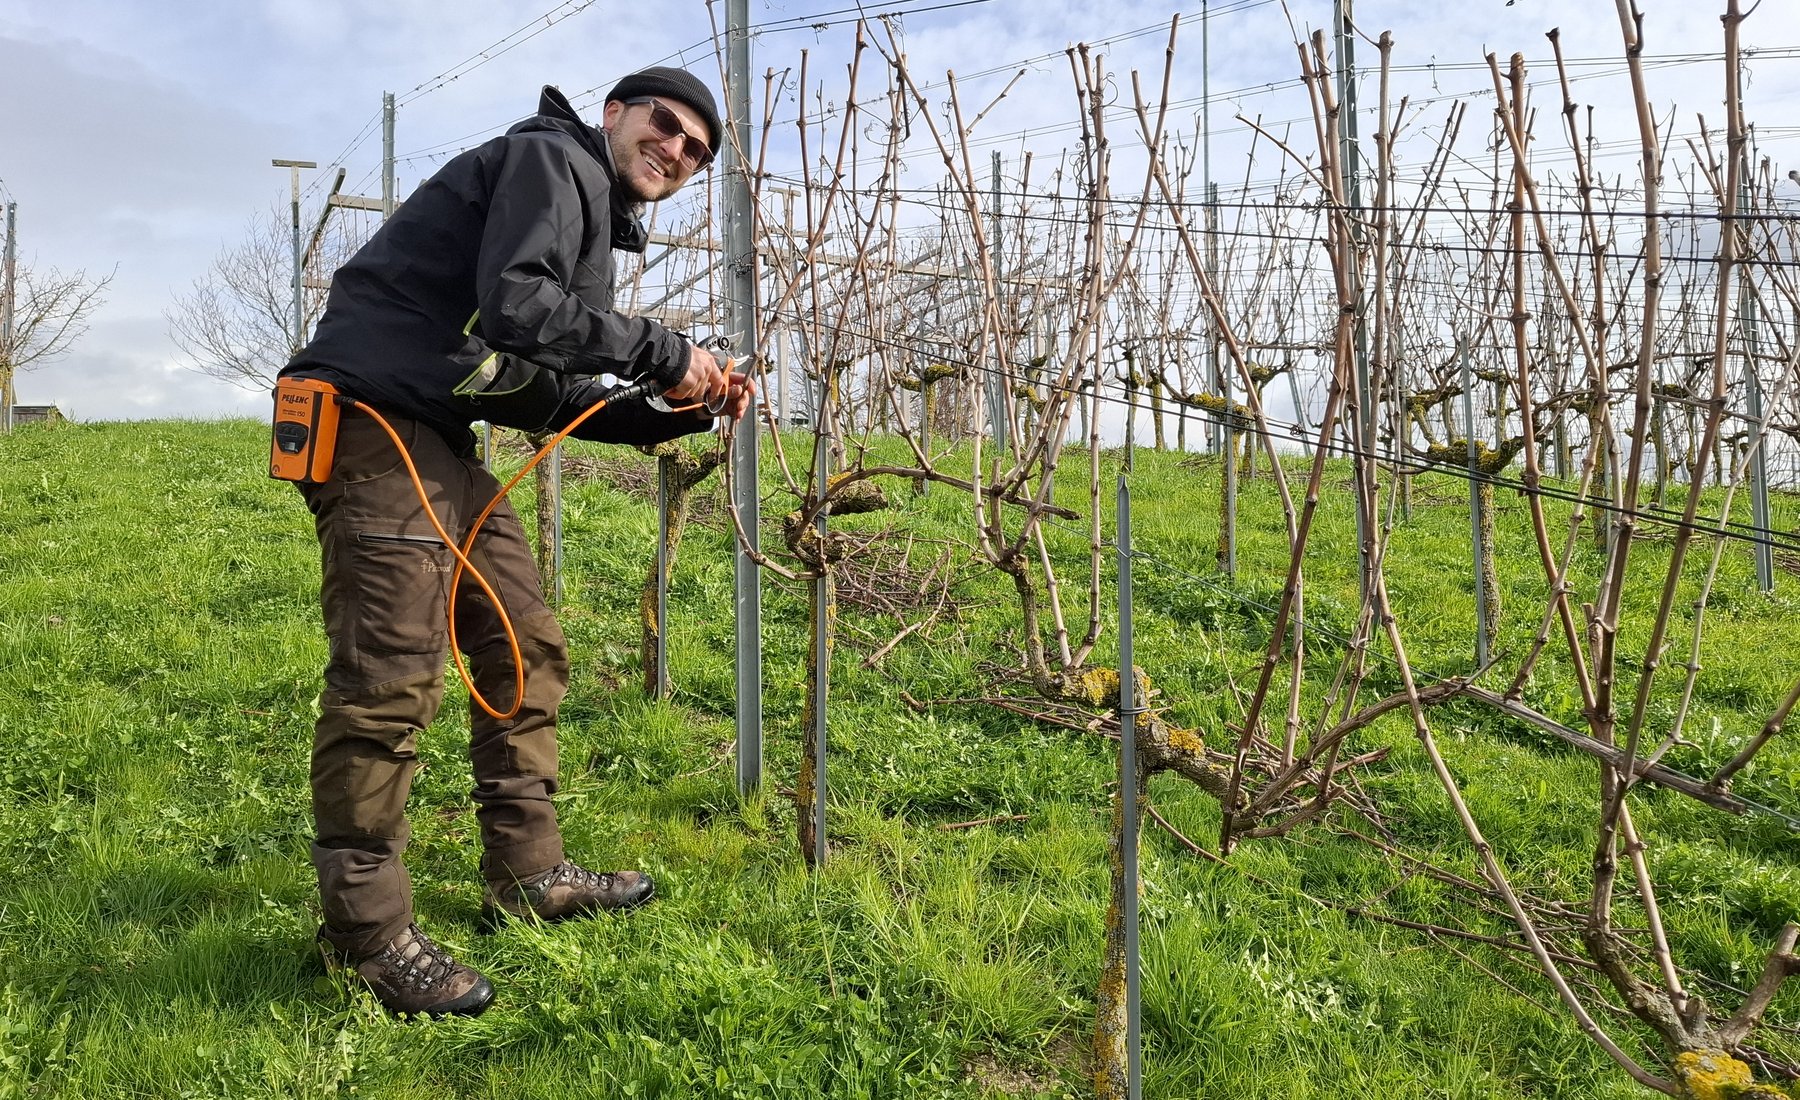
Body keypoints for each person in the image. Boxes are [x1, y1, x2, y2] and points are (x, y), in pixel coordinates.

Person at [278, 66, 752, 1018]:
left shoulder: (579, 213)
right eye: (666, 126)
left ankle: (528, 872)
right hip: (373, 421)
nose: (677, 151)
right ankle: (365, 935)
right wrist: (667, 350)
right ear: (613, 113)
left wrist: (675, 414)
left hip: (440, 434)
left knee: (521, 641)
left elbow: (540, 384)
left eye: (697, 152)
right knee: (389, 677)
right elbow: (519, 310)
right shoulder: (553, 160)